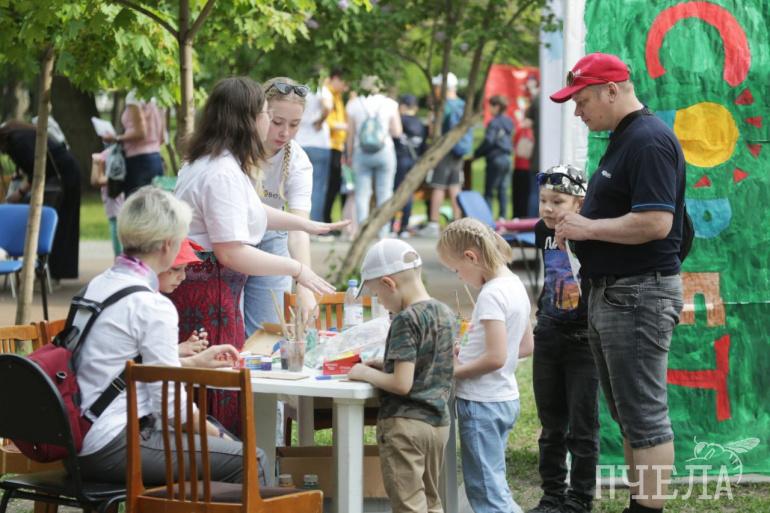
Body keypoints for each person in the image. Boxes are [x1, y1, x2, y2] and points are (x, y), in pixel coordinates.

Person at [170, 76, 346, 434]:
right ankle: (233, 456)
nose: (278, 129)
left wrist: (306, 225)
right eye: (269, 116)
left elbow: (252, 211)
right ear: (247, 120)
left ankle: (244, 450)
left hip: (211, 288)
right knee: (222, 378)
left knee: (242, 360)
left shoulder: (219, 161)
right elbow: (231, 252)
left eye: (292, 124)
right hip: (208, 295)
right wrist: (297, 270)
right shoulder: (222, 171)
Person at [550, 53, 686, 513]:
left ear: (612, 90)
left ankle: (646, 509)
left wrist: (587, 228)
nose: (577, 112)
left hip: (637, 293)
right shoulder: (626, 138)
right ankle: (638, 504)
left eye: (582, 100)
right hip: (617, 292)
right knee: (630, 417)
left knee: (644, 418)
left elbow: (657, 223)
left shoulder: (648, 141)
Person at [73, 186, 263, 486]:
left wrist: (192, 361)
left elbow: (118, 362)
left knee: (221, 443)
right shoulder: (152, 305)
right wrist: (217, 435)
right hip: (114, 444)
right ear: (167, 245)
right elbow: (172, 407)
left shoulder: (99, 285)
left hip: (79, 437)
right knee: (251, 459)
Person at [348, 239, 454, 513]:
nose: (381, 303)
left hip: (405, 427)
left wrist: (364, 372)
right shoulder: (445, 312)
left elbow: (401, 383)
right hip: (438, 425)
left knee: (409, 506)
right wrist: (387, 363)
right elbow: (430, 361)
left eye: (377, 294)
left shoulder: (405, 319)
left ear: (389, 283)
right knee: (431, 502)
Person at [437, 217, 534, 513]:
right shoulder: (514, 283)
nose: (459, 277)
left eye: (456, 270)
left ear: (471, 257)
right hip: (503, 399)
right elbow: (525, 345)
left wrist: (453, 370)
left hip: (482, 403)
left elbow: (495, 358)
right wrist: (470, 351)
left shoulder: (491, 294)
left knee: (487, 495)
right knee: (494, 485)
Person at [528, 165, 599, 513]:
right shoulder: (542, 229)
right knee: (551, 425)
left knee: (582, 427)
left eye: (558, 201)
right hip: (549, 333)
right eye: (544, 200)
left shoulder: (591, 232)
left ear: (579, 203)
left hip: (584, 339)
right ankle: (552, 494)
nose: (548, 208)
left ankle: (580, 497)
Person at [243, 77, 317, 335]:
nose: (285, 132)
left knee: (266, 331)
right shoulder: (236, 149)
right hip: (230, 237)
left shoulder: (298, 160)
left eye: (294, 124)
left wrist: (305, 286)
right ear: (259, 114)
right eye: (277, 122)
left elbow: (298, 228)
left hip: (271, 238)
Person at [0, 120, 81, 280]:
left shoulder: (17, 143)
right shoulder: (16, 134)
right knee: (63, 225)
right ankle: (55, 272)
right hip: (67, 171)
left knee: (59, 226)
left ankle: (54, 272)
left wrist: (20, 193)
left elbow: (37, 169)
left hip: (63, 178)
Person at [346, 75, 402, 239]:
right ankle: (383, 232)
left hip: (361, 152)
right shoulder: (389, 103)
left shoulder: (354, 104)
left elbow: (350, 134)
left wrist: (349, 155)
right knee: (385, 193)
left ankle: (363, 232)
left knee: (362, 194)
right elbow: (397, 132)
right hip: (385, 151)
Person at [418, 72, 470, 237]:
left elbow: (433, 132)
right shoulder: (462, 104)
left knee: (438, 185)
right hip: (458, 150)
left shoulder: (443, 106)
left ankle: (433, 223)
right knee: (455, 185)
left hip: (444, 151)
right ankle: (458, 222)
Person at [103, 92, 166, 196]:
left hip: (138, 161)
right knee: (155, 202)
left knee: (136, 203)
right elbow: (162, 137)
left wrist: (116, 138)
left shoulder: (134, 96)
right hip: (156, 159)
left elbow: (141, 133)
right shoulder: (158, 94)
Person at [295, 76, 333, 222]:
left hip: (300, 142)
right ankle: (314, 223)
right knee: (318, 186)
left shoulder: (299, 91)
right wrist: (320, 121)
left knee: (299, 186)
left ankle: (299, 221)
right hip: (319, 144)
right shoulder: (321, 90)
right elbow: (327, 107)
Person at [392, 94, 427, 237]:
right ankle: (404, 226)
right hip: (414, 162)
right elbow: (423, 146)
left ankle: (391, 225)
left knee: (395, 193)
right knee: (408, 194)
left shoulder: (399, 121)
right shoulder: (420, 124)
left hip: (399, 160)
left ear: (403, 106)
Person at [473, 95, 514, 219]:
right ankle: (502, 217)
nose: (489, 109)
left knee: (489, 191)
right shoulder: (509, 121)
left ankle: (488, 218)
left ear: (497, 107)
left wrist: (477, 153)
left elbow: (489, 141)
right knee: (503, 189)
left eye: (491, 106)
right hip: (507, 158)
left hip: (495, 158)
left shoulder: (494, 122)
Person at [322, 68, 349, 225]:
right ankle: (325, 218)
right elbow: (329, 122)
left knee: (338, 186)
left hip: (339, 146)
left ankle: (330, 219)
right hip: (330, 146)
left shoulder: (338, 97)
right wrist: (346, 127)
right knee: (331, 186)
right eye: (343, 82)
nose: (345, 86)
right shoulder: (327, 94)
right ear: (335, 78)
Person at [90, 148, 124, 257]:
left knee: (117, 226)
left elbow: (96, 180)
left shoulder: (109, 153)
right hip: (115, 199)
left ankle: (120, 258)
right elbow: (96, 180)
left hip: (117, 200)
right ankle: (120, 258)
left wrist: (96, 162)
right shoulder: (108, 153)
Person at [512, 114, 534, 219]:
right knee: (525, 194)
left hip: (518, 166)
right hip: (528, 167)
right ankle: (524, 216)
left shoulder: (520, 131)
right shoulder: (533, 132)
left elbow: (514, 143)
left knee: (517, 194)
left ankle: (517, 215)